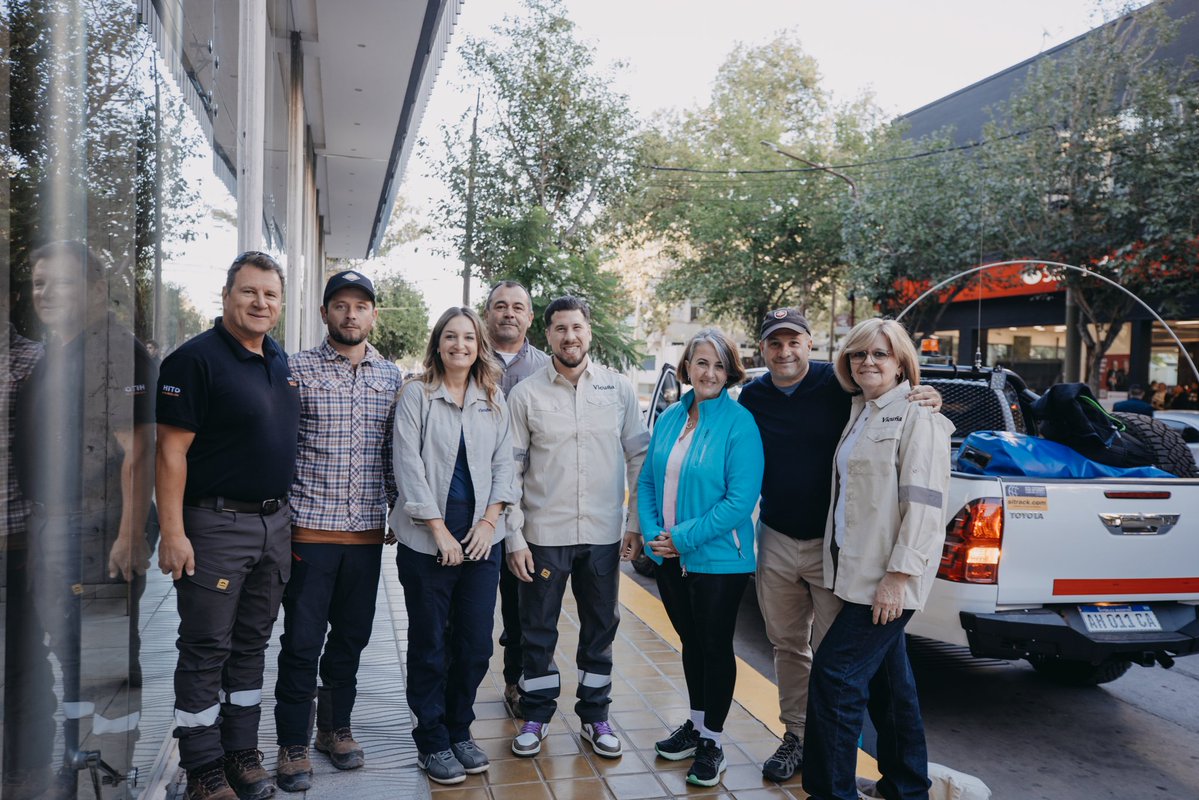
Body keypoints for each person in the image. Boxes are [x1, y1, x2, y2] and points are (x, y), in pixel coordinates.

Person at [738, 308, 940, 783]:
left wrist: (930, 395)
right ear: (763, 349)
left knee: (839, 664)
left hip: (838, 552)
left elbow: (899, 398)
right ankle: (798, 738)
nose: (784, 351)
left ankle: (836, 759)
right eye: (774, 343)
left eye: (794, 341)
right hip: (778, 538)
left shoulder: (841, 383)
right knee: (788, 646)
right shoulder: (752, 396)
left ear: (811, 344)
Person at [12, 241, 156, 794]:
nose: (46, 293)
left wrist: (128, 537)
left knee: (102, 664)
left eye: (62, 282)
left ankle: (107, 775)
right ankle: (81, 764)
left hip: (97, 532)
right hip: (58, 527)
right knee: (72, 657)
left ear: (96, 289)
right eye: (40, 282)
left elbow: (138, 450)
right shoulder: (63, 349)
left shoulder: (111, 351)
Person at [156, 251, 301, 800]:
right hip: (214, 524)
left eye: (270, 294)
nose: (260, 303)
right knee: (205, 648)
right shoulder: (193, 361)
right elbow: (170, 452)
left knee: (251, 644)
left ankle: (241, 752)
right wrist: (172, 532)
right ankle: (202, 768)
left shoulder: (277, 359)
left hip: (273, 523)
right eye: (249, 292)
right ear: (226, 296)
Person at [802, 318, 953, 800]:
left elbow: (926, 506)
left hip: (886, 579)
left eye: (880, 354)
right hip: (855, 570)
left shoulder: (917, 415)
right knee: (892, 684)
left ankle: (831, 792)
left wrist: (899, 576)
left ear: (901, 362)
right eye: (858, 354)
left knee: (834, 677)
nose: (868, 362)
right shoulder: (860, 411)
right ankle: (907, 787)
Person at [272, 271, 403, 791]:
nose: (351, 314)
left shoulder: (391, 377)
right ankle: (292, 744)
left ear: (374, 315)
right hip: (310, 533)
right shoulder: (294, 370)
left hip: (367, 536)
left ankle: (335, 729)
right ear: (325, 313)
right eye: (341, 305)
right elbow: (280, 447)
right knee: (302, 641)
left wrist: (396, 511)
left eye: (361, 306)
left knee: (351, 638)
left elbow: (395, 454)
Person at [505, 296, 649, 759]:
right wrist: (514, 536)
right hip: (544, 536)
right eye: (560, 328)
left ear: (590, 331)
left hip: (604, 535)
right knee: (537, 630)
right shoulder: (526, 394)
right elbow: (508, 470)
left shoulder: (618, 389)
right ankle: (537, 714)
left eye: (577, 327)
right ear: (547, 335)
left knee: (601, 628)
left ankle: (595, 716)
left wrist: (635, 525)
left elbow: (638, 458)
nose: (570, 336)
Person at [391, 307, 517, 785]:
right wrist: (439, 531)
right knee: (430, 644)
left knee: (475, 645)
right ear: (438, 343)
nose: (460, 345)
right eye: (450, 336)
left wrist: (489, 522)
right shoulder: (417, 395)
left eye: (468, 337)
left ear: (479, 345)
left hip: (483, 542)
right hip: (428, 544)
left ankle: (460, 729)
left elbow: (506, 465)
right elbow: (408, 466)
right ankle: (432, 738)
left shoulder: (493, 398)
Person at [634, 329, 764, 787]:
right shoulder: (670, 417)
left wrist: (682, 536)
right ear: (687, 366)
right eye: (700, 362)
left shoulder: (740, 423)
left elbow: (740, 499)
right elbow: (648, 481)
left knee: (714, 646)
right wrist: (653, 534)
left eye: (718, 365)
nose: (708, 372)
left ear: (729, 372)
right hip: (670, 557)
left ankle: (713, 742)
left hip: (718, 561)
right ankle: (695, 723)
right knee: (691, 642)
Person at [482, 280, 550, 717]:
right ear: (487, 313)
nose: (509, 313)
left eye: (518, 307)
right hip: (469, 505)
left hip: (524, 510)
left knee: (524, 606)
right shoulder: (466, 352)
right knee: (466, 610)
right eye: (500, 306)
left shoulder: (547, 368)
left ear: (529, 317)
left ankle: (516, 681)